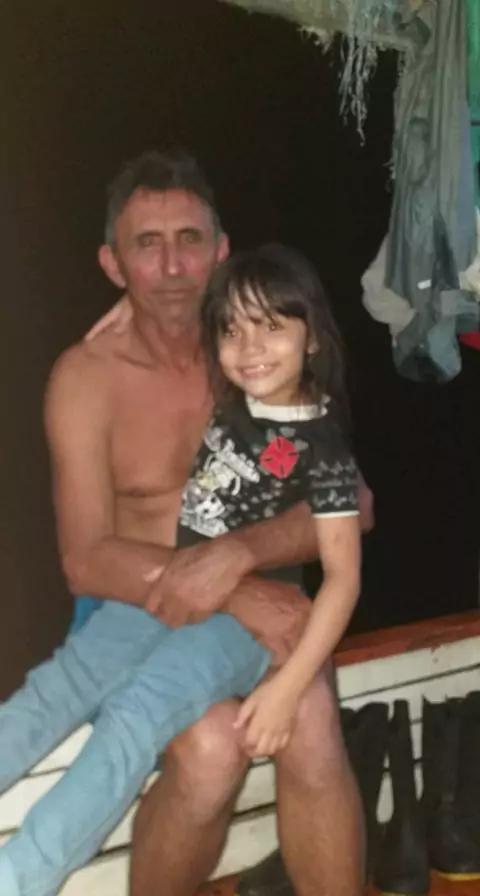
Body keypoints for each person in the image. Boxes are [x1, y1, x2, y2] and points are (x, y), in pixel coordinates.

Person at [9, 150, 370, 896]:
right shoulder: (86, 378)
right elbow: (85, 559)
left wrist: (239, 554)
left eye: (190, 241)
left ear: (221, 251)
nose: (173, 266)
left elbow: (352, 506)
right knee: (204, 748)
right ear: (113, 264)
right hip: (133, 601)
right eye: (148, 245)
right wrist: (231, 584)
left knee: (308, 717)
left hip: (256, 605)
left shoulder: (253, 358)